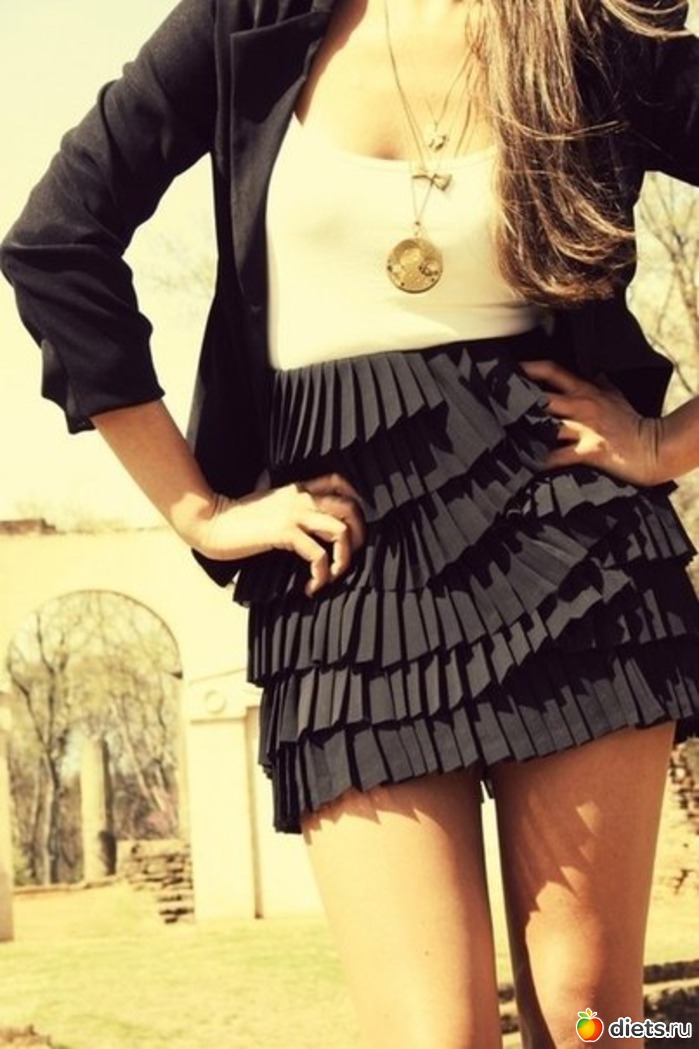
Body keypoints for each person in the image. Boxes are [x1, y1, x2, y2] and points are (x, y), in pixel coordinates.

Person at [3, 1, 699, 1045]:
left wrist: (665, 440)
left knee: (595, 1020)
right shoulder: (246, 19)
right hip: (342, 580)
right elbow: (57, 238)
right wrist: (199, 510)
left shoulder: (586, 32)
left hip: (575, 557)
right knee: (431, 1032)